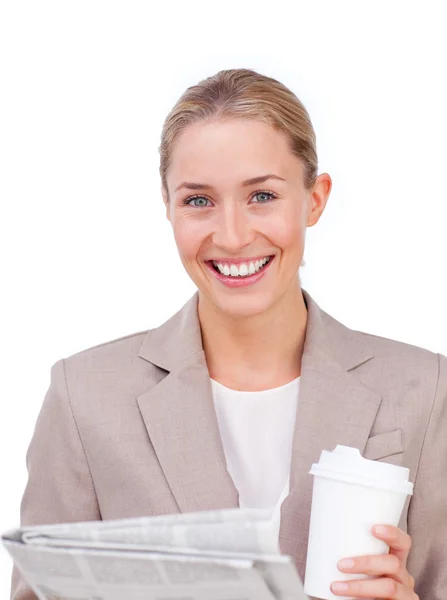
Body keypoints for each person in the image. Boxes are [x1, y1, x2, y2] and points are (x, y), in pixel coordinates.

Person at [11, 68, 446, 600]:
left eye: (262, 196)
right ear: (168, 206)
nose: (233, 235)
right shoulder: (85, 396)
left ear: (314, 199)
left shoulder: (426, 390)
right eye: (198, 201)